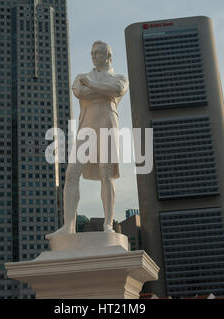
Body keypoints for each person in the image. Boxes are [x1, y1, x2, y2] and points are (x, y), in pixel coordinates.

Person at [46, 41, 129, 238]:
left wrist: (91, 85)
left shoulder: (118, 77)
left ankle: (108, 223)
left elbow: (117, 90)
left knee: (106, 172)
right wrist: (102, 89)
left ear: (108, 56)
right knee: (72, 172)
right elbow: (78, 92)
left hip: (107, 122)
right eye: (92, 52)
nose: (93, 56)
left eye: (98, 53)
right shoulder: (80, 77)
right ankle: (68, 227)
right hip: (86, 125)